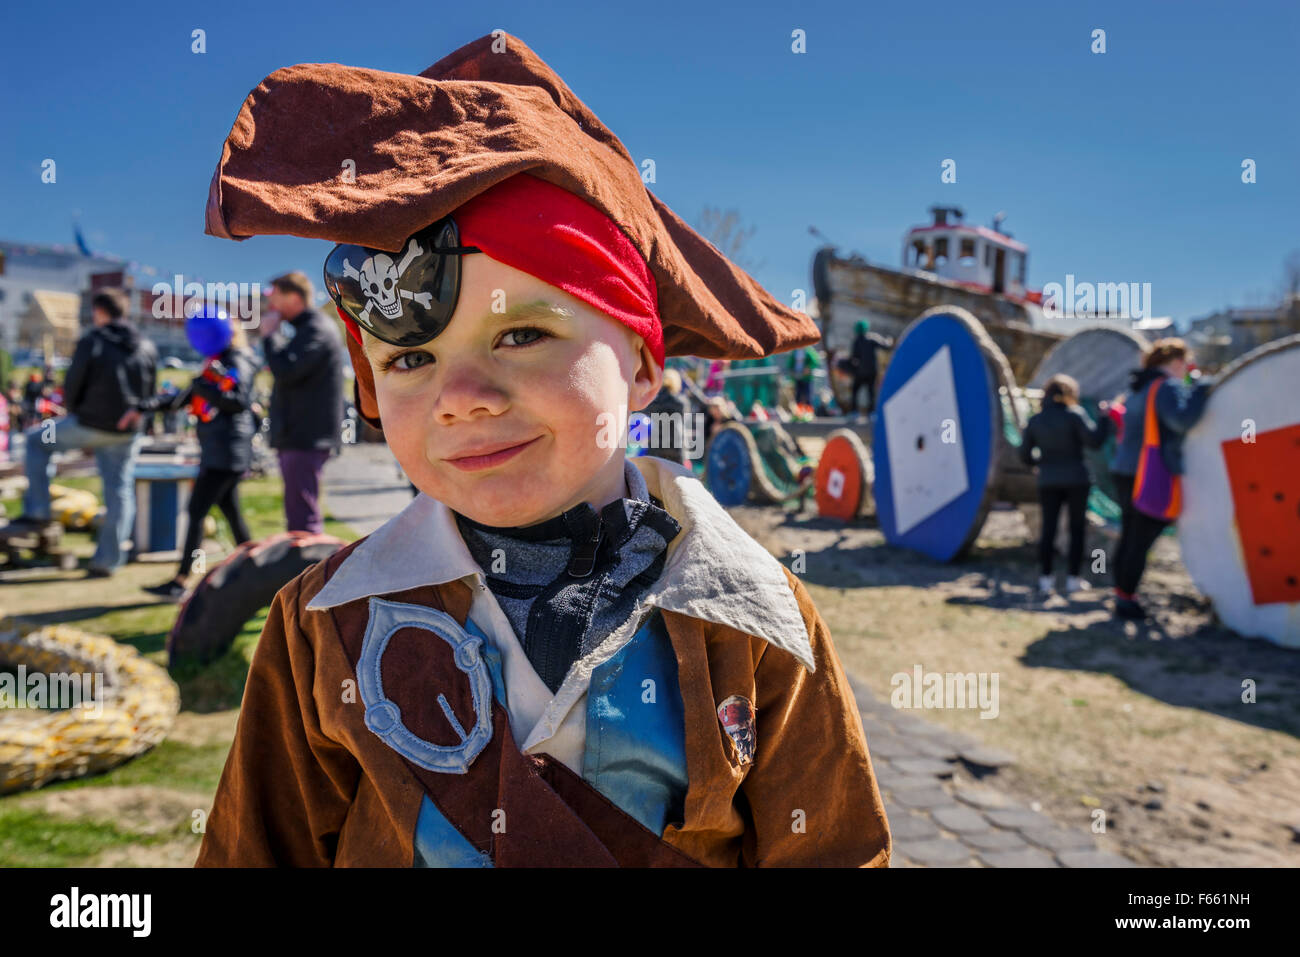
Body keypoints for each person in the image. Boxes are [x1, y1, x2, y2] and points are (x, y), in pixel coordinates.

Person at [194, 33, 890, 868]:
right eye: (410, 359)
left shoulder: (757, 621)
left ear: (639, 362)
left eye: (522, 332)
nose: (462, 398)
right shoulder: (318, 629)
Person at [17, 289, 157, 576]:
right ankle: (109, 560)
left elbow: (73, 383)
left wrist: (76, 412)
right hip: (127, 431)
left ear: (99, 311)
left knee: (35, 440)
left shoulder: (93, 340)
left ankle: (39, 511)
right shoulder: (146, 345)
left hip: (88, 423)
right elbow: (152, 394)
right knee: (119, 491)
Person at [140, 314, 256, 600]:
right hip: (220, 451)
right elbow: (184, 397)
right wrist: (145, 405)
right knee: (232, 514)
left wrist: (204, 387)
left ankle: (180, 581)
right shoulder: (216, 363)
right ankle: (257, 572)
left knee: (195, 513)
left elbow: (238, 401)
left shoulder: (238, 361)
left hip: (226, 452)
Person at [1108, 338, 1213, 620]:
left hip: (1124, 469)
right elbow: (1181, 421)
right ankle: (1127, 600)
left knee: (1130, 534)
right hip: (1147, 471)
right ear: (1177, 362)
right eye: (1185, 365)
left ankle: (1122, 593)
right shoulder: (1164, 386)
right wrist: (1201, 388)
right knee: (1142, 536)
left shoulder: (1138, 387)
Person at [262, 271, 345, 534]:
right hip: (301, 434)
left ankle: (307, 572)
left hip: (305, 435)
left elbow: (286, 370)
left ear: (294, 298)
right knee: (299, 510)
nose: (271, 306)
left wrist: (269, 336)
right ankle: (306, 570)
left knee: (303, 520)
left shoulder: (315, 329)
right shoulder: (307, 329)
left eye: (275, 298)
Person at [1019, 374, 1111, 596]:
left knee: (1048, 529)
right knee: (1076, 529)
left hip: (1048, 479)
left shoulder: (1036, 420)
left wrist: (1040, 462)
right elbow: (1094, 441)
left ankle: (1045, 579)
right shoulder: (1075, 415)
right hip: (1076, 479)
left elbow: (1024, 454)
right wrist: (1105, 418)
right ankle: (1073, 579)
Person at [844, 319, 893, 416]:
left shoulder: (857, 341)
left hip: (860, 372)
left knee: (855, 391)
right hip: (872, 371)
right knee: (871, 393)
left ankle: (854, 412)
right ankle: (872, 413)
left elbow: (854, 357)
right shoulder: (872, 338)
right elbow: (886, 346)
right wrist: (889, 340)